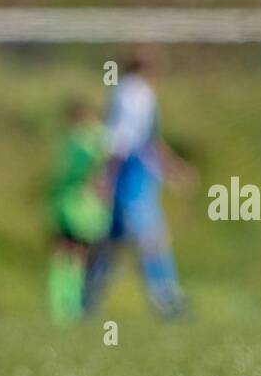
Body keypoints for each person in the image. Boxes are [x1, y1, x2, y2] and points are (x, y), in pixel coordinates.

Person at [83, 49, 195, 318]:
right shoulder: (135, 93)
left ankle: (86, 301)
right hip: (132, 175)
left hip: (133, 172)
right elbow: (123, 141)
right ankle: (165, 298)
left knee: (112, 241)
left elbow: (144, 139)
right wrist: (108, 178)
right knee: (150, 237)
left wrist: (171, 166)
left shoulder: (128, 90)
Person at [45, 97, 111, 324]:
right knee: (76, 254)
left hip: (72, 205)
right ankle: (68, 307)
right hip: (82, 207)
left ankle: (64, 307)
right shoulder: (94, 138)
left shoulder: (76, 139)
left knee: (66, 253)